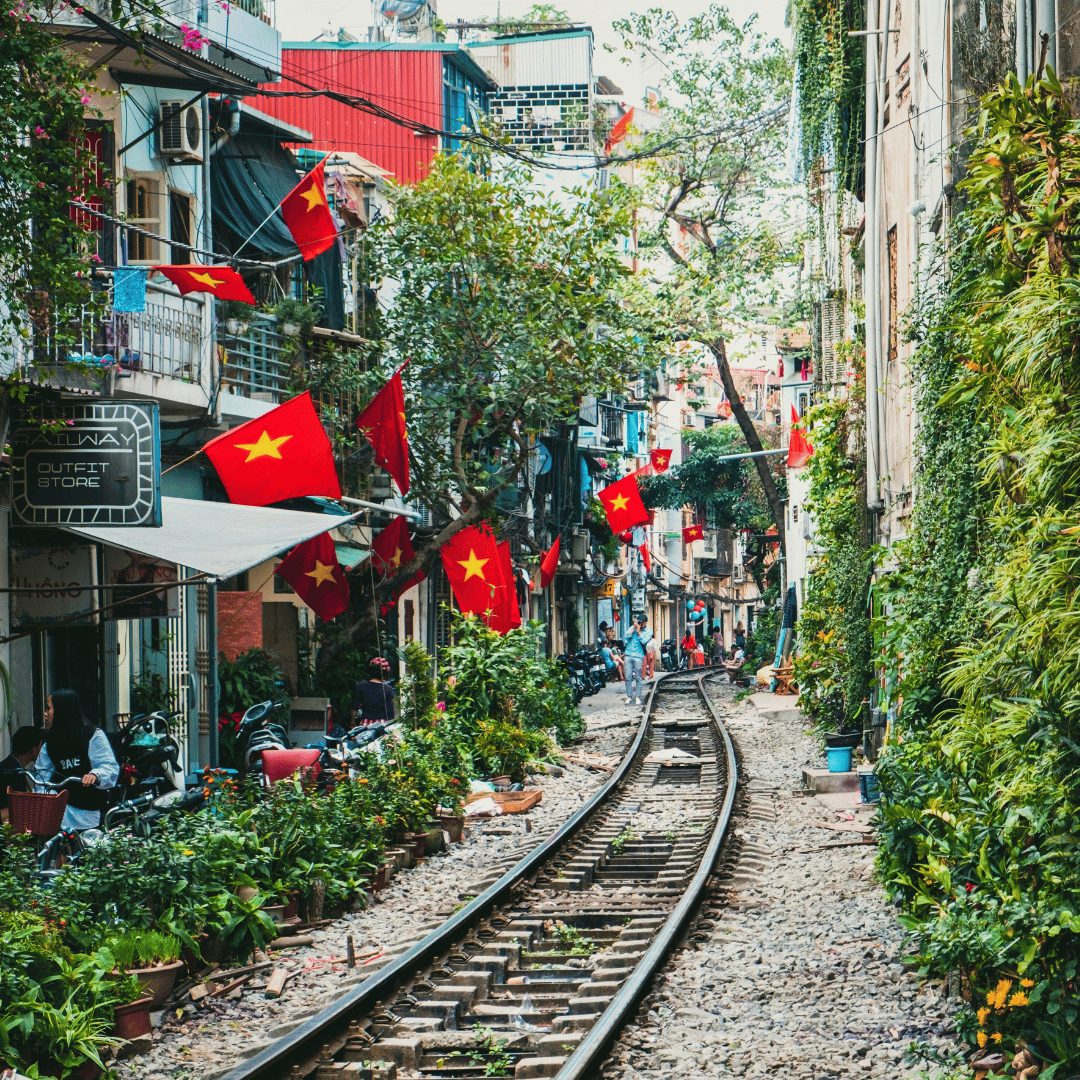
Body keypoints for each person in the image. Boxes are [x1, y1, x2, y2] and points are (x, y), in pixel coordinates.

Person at [35, 689, 118, 831]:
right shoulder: (50, 744)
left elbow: (109, 766)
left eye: (49, 709)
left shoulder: (92, 735)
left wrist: (95, 775)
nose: (45, 714)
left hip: (86, 812)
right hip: (61, 811)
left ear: (62, 710)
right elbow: (41, 776)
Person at [0, 725, 44, 823]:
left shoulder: (8, 764)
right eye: (40, 746)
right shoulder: (15, 772)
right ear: (33, 750)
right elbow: (14, 810)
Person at [350, 657, 396, 726]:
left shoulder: (361, 685)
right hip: (381, 725)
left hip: (365, 724)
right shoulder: (388, 689)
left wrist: (352, 723)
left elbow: (354, 707)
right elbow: (390, 714)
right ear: (385, 673)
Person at [623, 614, 652, 706]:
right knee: (627, 677)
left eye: (642, 622)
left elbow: (644, 641)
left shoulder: (648, 632)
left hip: (639, 655)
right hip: (628, 654)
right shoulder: (633, 627)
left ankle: (638, 697)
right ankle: (629, 696)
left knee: (638, 677)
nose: (640, 624)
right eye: (639, 622)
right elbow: (626, 637)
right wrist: (633, 629)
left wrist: (639, 631)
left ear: (646, 622)